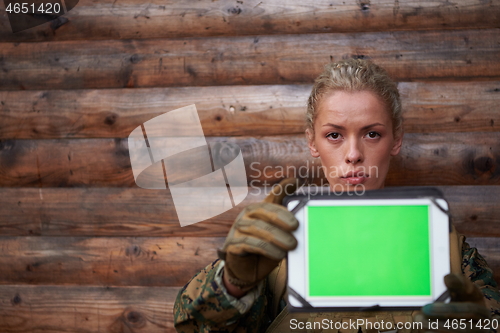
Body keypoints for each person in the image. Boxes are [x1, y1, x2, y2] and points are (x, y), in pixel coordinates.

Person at [173, 59, 500, 332]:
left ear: (396, 140)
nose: (354, 154)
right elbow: (193, 325)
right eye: (334, 135)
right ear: (312, 143)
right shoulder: (276, 244)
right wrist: (232, 283)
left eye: (372, 134)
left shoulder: (451, 252)